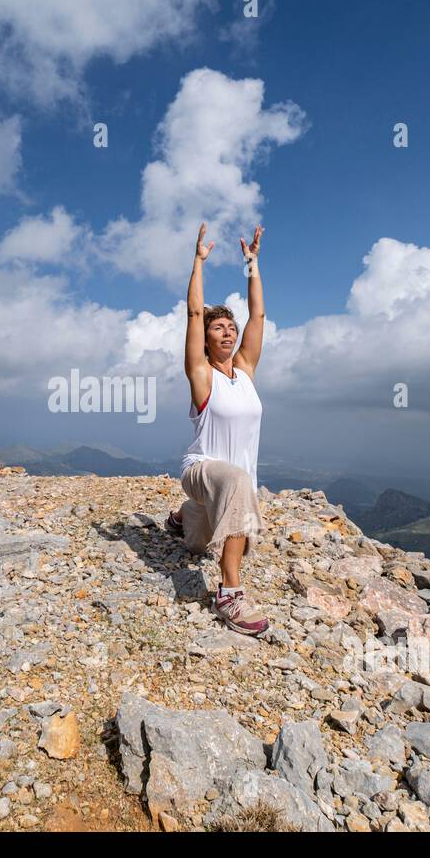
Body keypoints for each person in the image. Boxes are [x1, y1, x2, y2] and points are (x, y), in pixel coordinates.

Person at [166, 222, 269, 635]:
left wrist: (252, 265)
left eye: (231, 327)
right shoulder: (201, 376)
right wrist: (198, 261)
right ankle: (229, 594)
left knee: (199, 543)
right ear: (206, 339)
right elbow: (193, 311)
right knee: (238, 489)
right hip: (203, 469)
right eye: (218, 327)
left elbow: (258, 314)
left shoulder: (245, 372)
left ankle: (183, 518)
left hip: (228, 486)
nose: (227, 330)